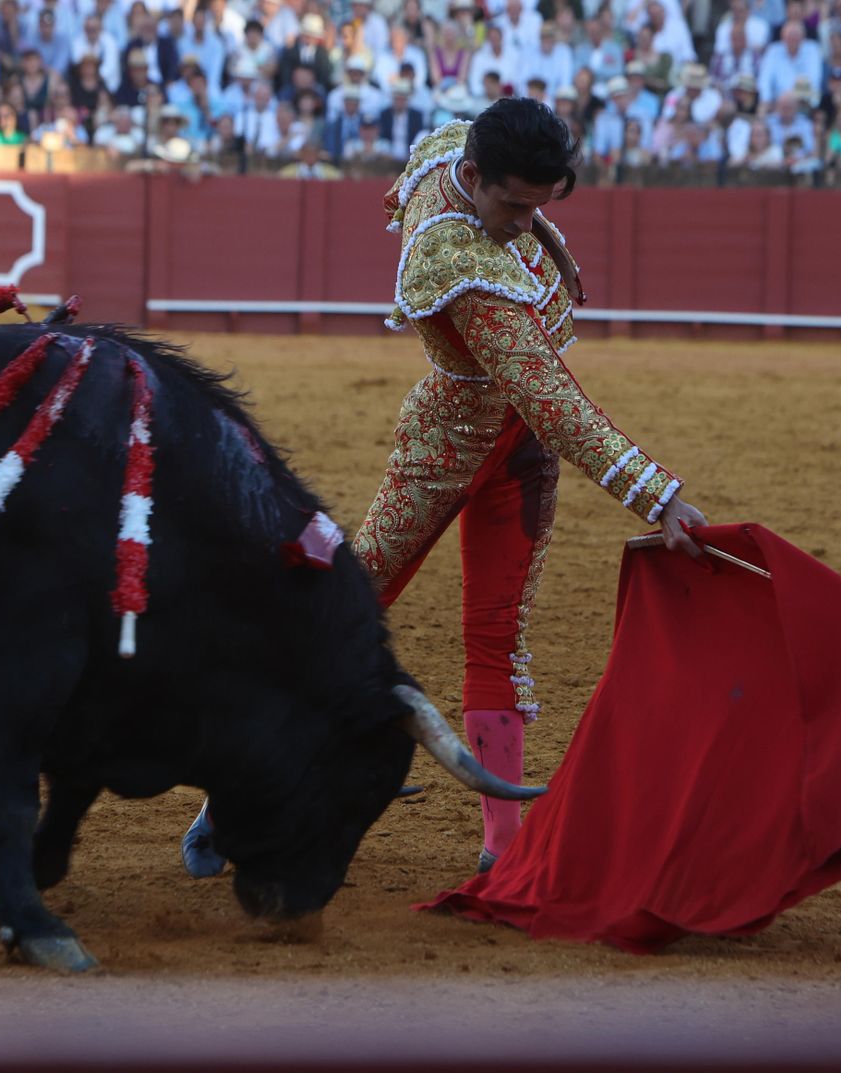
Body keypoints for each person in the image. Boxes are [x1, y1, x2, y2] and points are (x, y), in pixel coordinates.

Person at [181, 99, 706, 879]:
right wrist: (656, 494)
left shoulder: (463, 146)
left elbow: (411, 185)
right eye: (514, 205)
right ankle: (226, 803)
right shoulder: (459, 262)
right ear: (472, 179)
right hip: (447, 449)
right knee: (341, 616)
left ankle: (506, 844)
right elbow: (554, 403)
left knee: (498, 636)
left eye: (541, 205)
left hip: (518, 454)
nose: (527, 225)